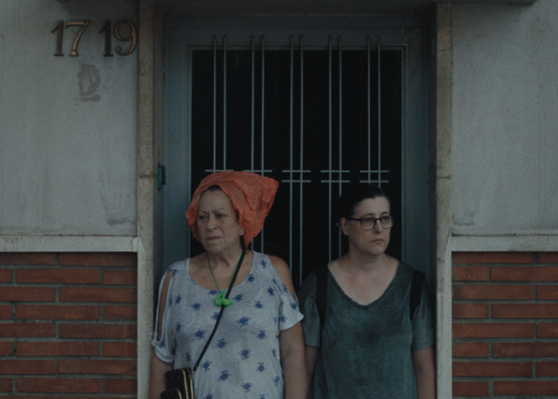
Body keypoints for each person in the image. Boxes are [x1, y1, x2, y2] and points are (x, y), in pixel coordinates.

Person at [150, 171, 307, 399]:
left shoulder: (273, 271)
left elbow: (293, 353)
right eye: (202, 217)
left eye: (220, 216)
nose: (210, 225)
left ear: (242, 223)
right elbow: (161, 359)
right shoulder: (175, 279)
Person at [298, 184, 436, 399]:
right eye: (368, 220)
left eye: (385, 219)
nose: (379, 228)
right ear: (345, 226)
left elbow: (424, 369)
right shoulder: (319, 287)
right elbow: (304, 368)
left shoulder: (412, 286)